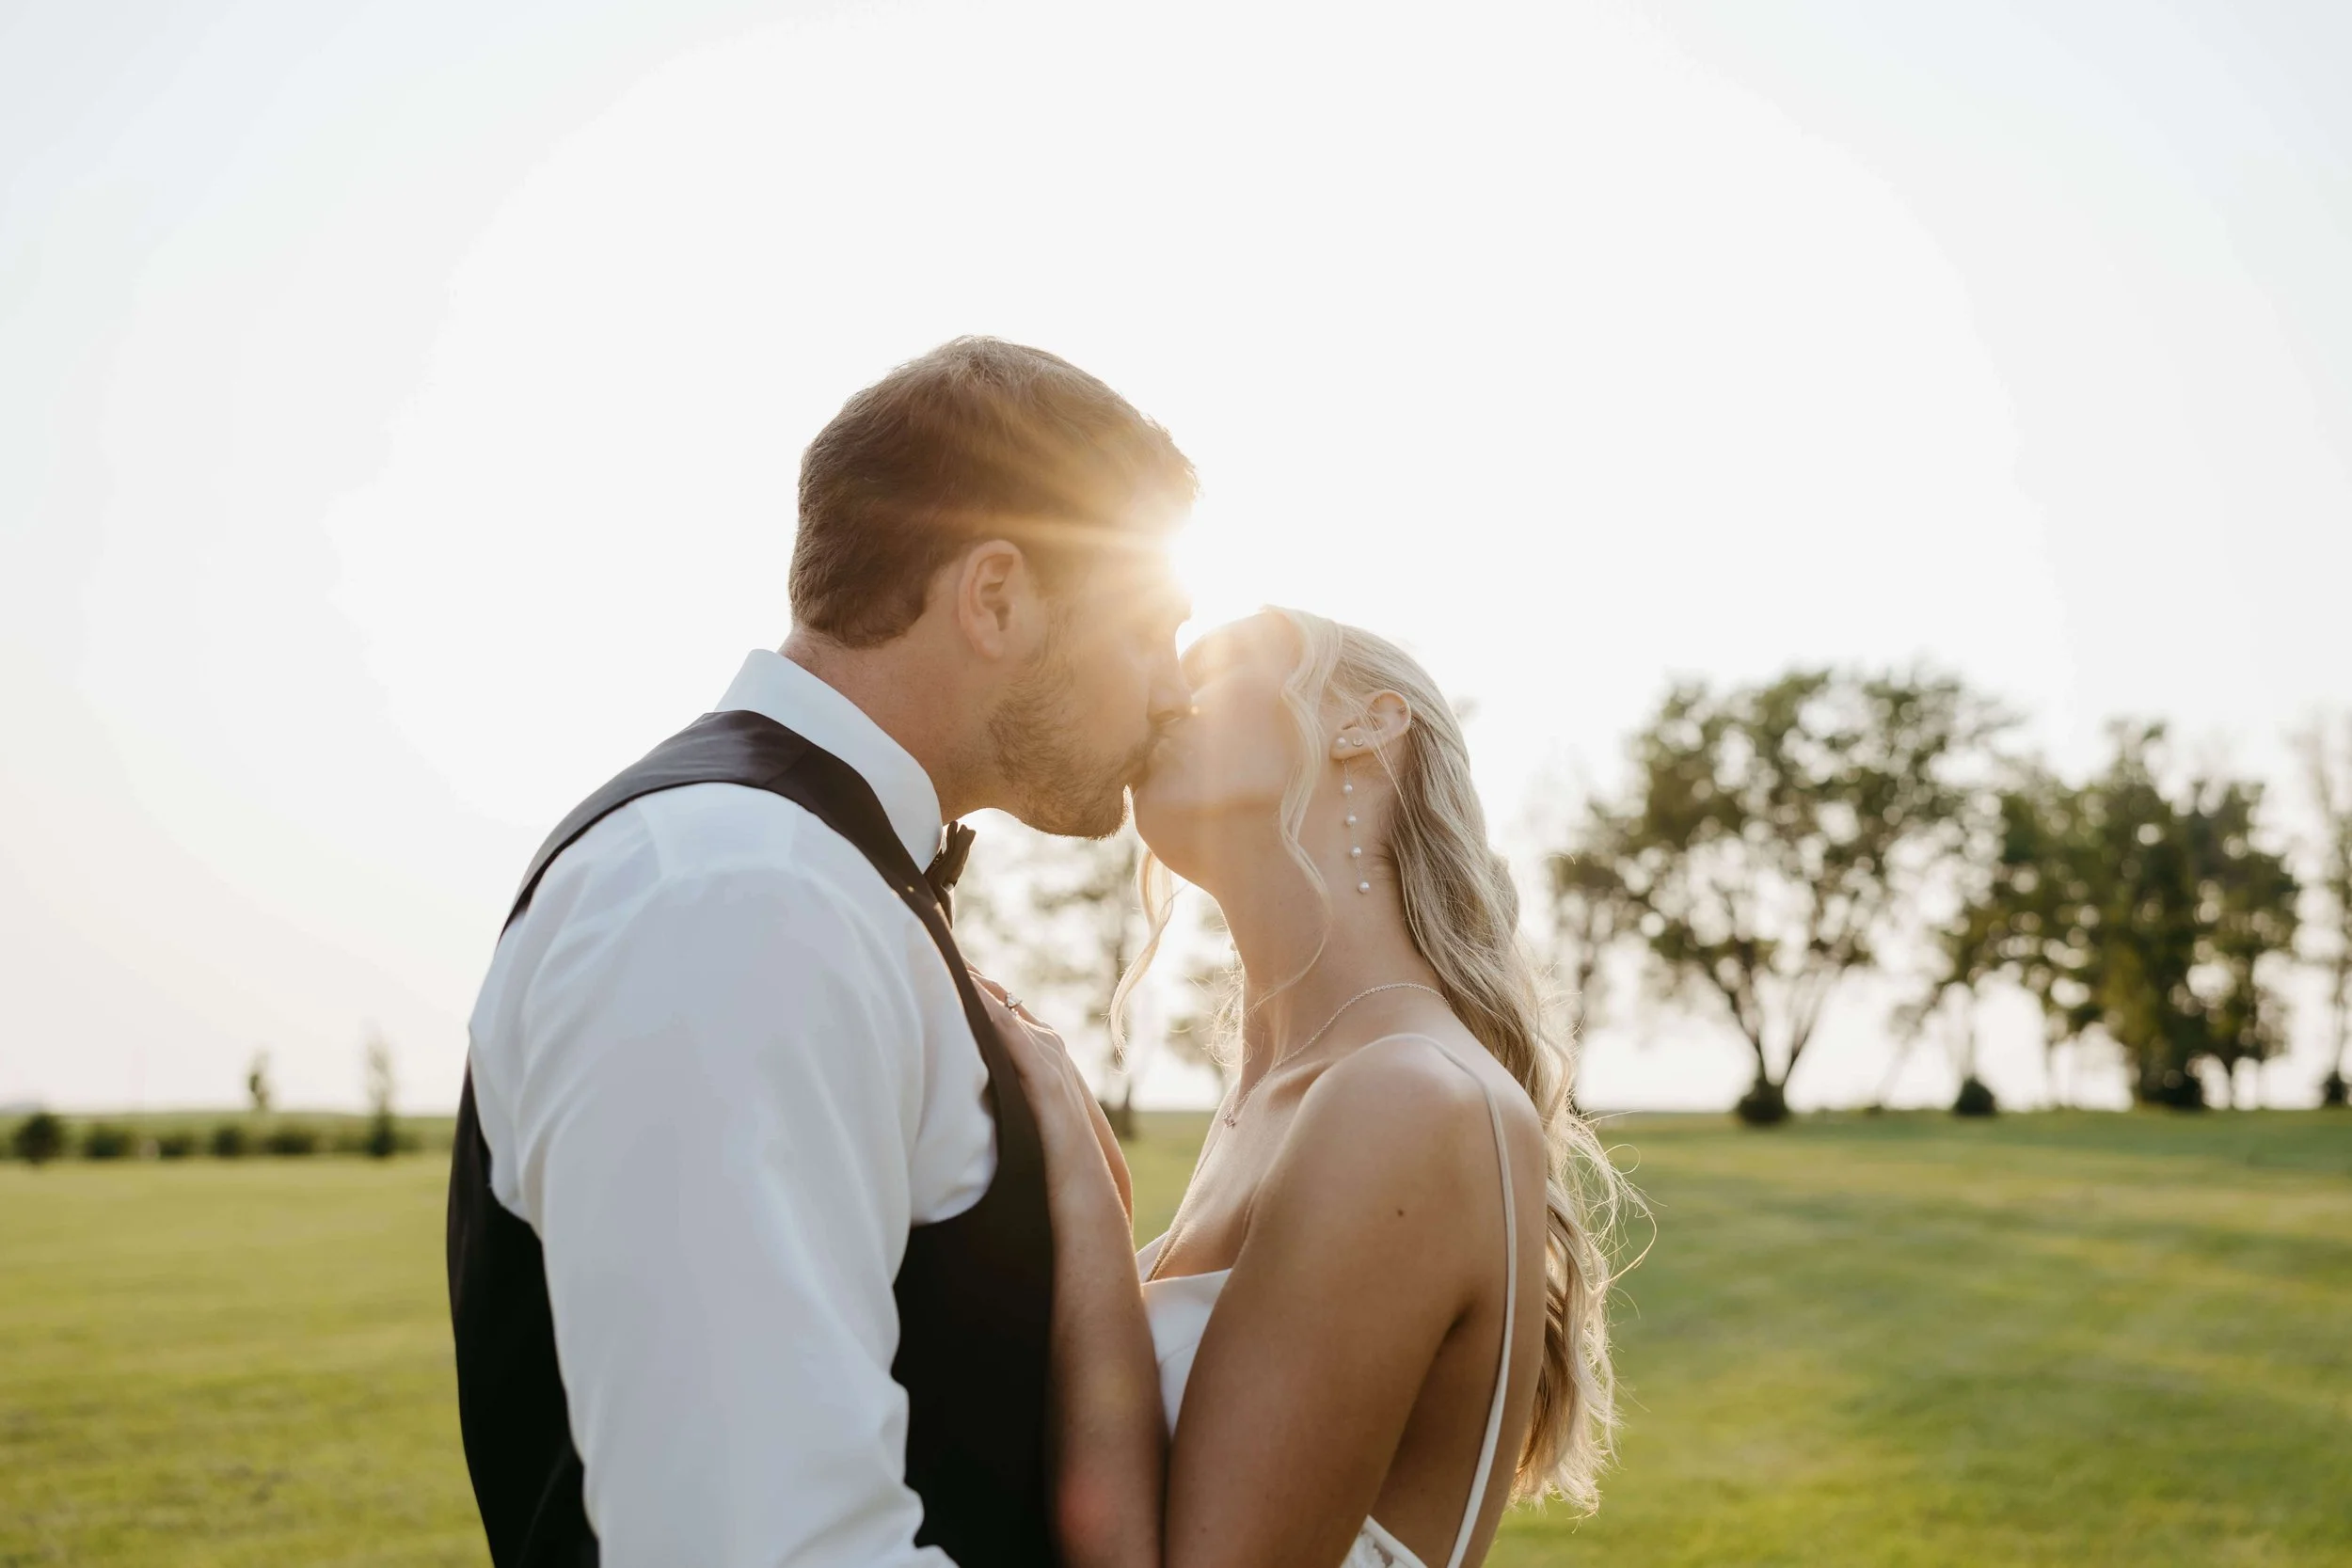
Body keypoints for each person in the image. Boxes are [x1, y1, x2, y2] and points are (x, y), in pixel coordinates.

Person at [446, 336, 1195, 1568]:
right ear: (995, 597)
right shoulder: (736, 896)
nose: (1173, 689)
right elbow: (760, 1545)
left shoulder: (802, 874)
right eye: (1152, 628)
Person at [990, 607, 1636, 1568]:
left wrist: (1080, 1181)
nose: (1163, 696)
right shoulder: (1278, 1096)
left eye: (1211, 675)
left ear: (1365, 724)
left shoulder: (1408, 1096)